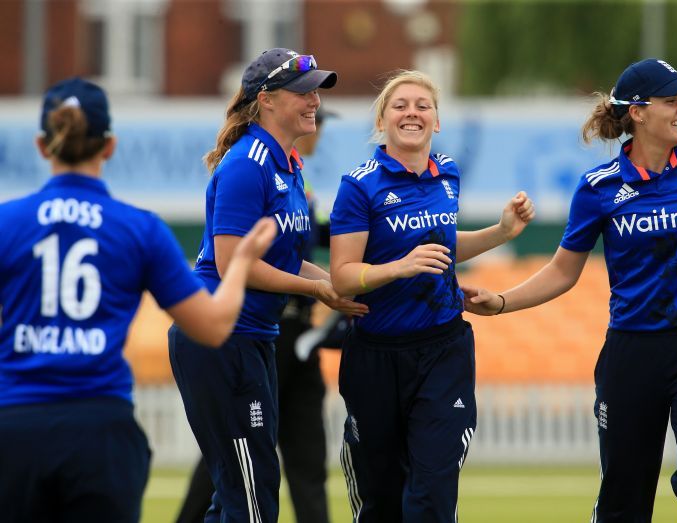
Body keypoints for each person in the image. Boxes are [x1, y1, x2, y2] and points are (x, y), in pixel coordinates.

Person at [461, 58, 677, 522]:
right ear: (639, 112)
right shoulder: (597, 188)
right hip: (633, 352)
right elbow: (563, 271)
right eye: (672, 100)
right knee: (624, 502)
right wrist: (502, 303)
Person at [0, 77, 276, 523]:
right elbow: (213, 326)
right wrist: (241, 263)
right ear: (109, 146)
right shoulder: (138, 228)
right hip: (99, 428)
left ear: (41, 144)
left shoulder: (7, 223)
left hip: (14, 425)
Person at [168, 48, 367, 523]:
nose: (315, 100)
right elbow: (233, 260)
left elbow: (289, 259)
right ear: (268, 100)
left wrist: (344, 283)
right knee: (252, 497)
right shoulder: (247, 164)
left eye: (316, 90)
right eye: (304, 92)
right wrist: (318, 290)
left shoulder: (288, 166)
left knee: (244, 495)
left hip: (253, 337)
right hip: (222, 336)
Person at [328, 70, 535, 522]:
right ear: (383, 119)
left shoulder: (448, 175)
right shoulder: (359, 185)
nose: (412, 113)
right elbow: (342, 277)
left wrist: (501, 232)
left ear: (437, 121)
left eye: (423, 105)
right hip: (377, 357)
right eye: (400, 105)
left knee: (432, 494)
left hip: (444, 349)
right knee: (382, 500)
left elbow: (441, 247)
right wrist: (400, 266)